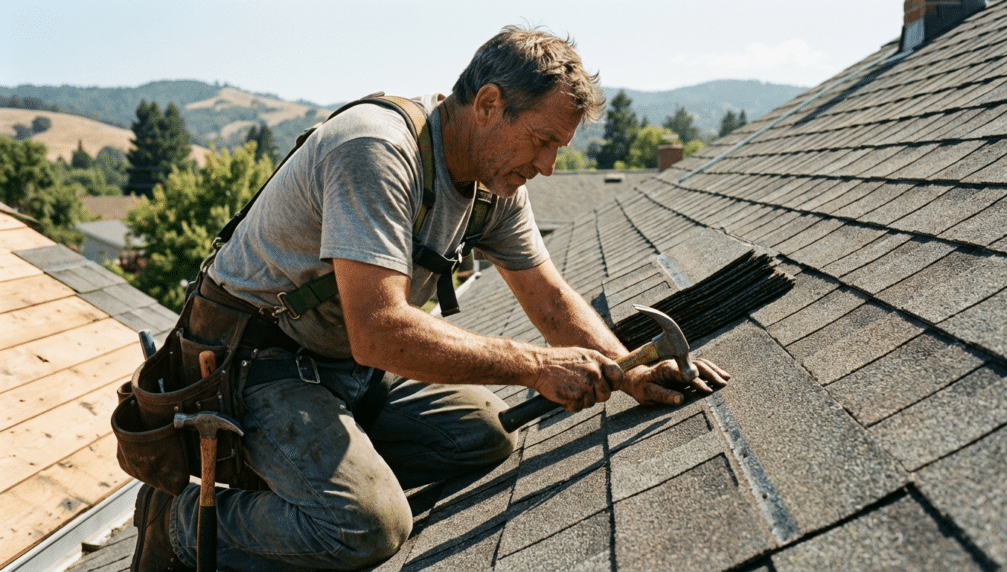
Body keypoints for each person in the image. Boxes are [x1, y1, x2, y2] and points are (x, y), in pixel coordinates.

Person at [131, 25, 730, 572]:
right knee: (366, 527)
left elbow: (549, 299)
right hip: (253, 365)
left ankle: (311, 471)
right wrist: (538, 366)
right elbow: (379, 330)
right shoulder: (376, 150)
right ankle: (180, 521)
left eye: (558, 150)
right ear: (490, 104)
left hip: (344, 366)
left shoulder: (492, 185)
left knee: (484, 431)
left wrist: (631, 372)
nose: (547, 166)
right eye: (542, 141)